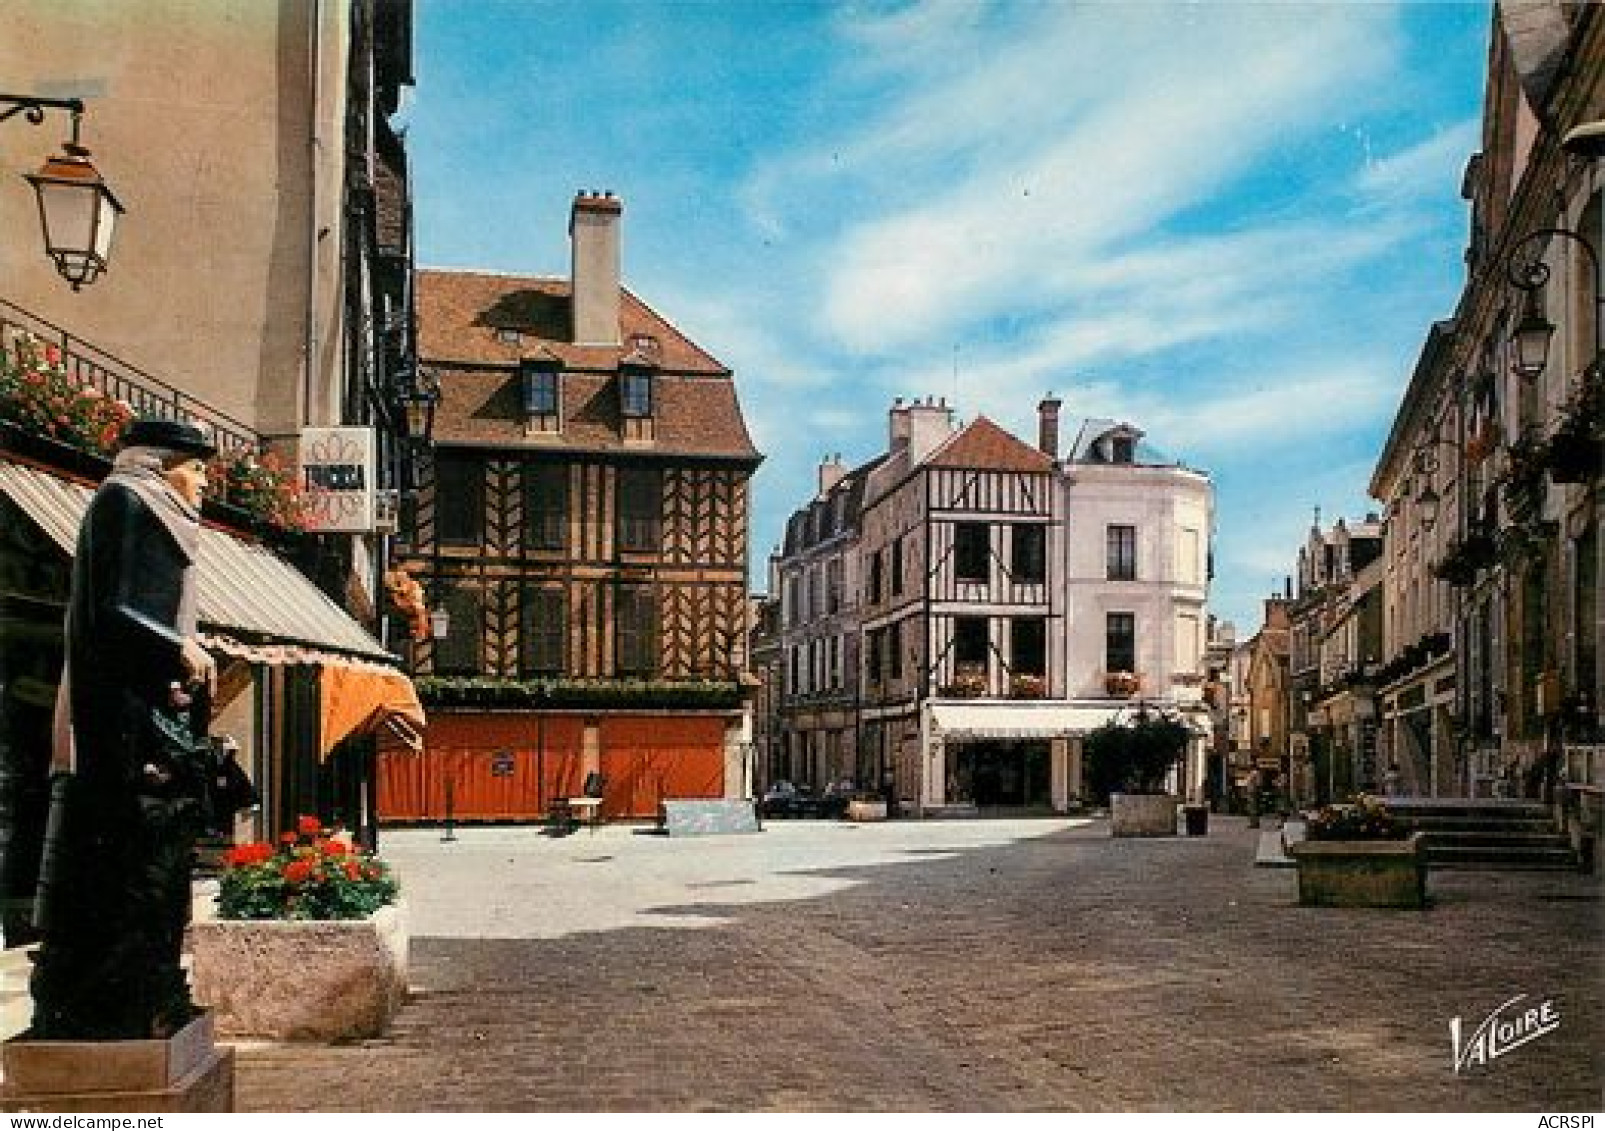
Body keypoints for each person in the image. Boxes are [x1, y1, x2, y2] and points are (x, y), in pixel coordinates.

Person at [29, 418, 219, 1040]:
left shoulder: (159, 516)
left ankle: (151, 987)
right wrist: (176, 650)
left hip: (144, 718)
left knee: (153, 866)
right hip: (111, 724)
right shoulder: (125, 501)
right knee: (118, 864)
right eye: (195, 469)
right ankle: (117, 999)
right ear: (160, 466)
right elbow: (111, 613)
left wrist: (180, 658)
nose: (202, 484)